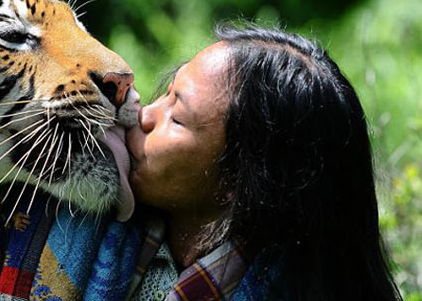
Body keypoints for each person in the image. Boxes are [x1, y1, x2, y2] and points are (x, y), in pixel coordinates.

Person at [124, 24, 403, 301]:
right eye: (167, 93)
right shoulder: (107, 235)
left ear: (241, 179)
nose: (144, 114)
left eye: (177, 119)